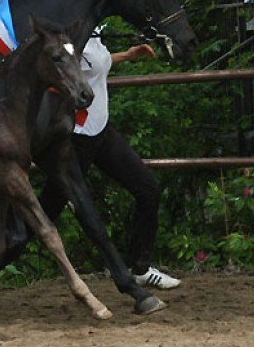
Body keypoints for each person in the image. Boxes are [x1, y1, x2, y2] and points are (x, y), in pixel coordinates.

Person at [71, 35, 180, 289]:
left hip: (101, 131)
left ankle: (140, 268)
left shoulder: (92, 32)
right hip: (77, 137)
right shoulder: (69, 39)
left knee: (148, 190)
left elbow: (97, 64)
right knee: (49, 208)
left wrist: (128, 56)